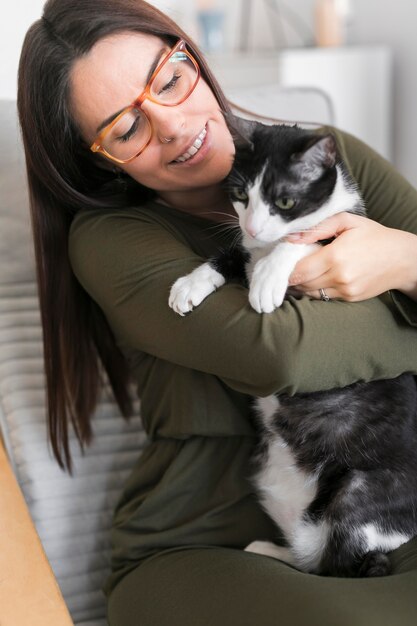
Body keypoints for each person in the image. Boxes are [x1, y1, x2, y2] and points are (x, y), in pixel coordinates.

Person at [17, 1, 417, 624]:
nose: (173, 127)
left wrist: (406, 263)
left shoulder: (328, 161)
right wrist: (399, 273)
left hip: (376, 515)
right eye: (127, 129)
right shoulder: (111, 239)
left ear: (194, 59)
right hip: (198, 551)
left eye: (170, 79)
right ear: (100, 159)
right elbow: (278, 353)